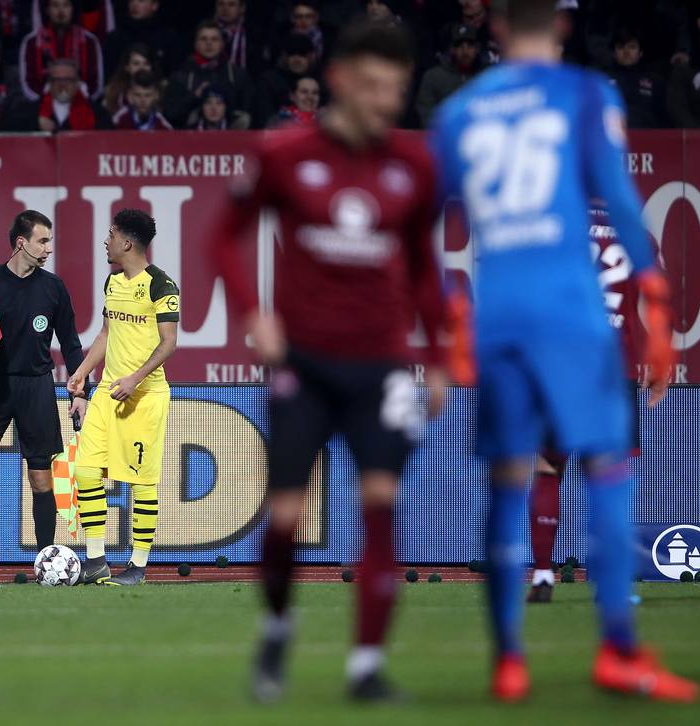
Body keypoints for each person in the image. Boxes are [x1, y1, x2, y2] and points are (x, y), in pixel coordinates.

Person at [429, 0, 697, 703]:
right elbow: (621, 202)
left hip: (502, 316)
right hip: (574, 314)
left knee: (509, 479)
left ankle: (508, 661)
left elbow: (417, 223)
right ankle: (618, 651)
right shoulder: (585, 94)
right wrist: (658, 306)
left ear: (494, 30)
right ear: (564, 27)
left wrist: (449, 311)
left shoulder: (461, 112)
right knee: (607, 467)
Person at [213, 20, 452, 703]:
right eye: (373, 86)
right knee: (284, 514)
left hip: (381, 365)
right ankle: (278, 626)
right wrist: (253, 314)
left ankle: (366, 666)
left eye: (396, 89)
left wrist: (438, 355)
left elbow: (424, 268)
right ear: (340, 80)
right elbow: (223, 238)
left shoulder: (415, 165)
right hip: (305, 364)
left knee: (380, 503)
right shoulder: (286, 155)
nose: (385, 102)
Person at [0, 210, 88, 585]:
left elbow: (71, 344)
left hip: (36, 386)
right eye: (43, 241)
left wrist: (80, 390)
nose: (49, 249)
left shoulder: (54, 288)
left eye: (50, 241)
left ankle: (46, 565)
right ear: (21, 242)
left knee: (41, 479)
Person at [527, 205, 652, 604]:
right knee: (610, 478)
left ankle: (543, 573)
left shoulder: (555, 222)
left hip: (563, 362)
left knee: (548, 467)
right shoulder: (632, 229)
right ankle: (613, 585)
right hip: (615, 365)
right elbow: (651, 299)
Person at [67, 208, 179, 587]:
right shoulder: (113, 282)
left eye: (111, 234)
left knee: (141, 482)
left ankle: (138, 565)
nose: (106, 241)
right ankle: (96, 560)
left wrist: (135, 378)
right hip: (106, 393)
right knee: (85, 471)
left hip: (144, 397)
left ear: (127, 243)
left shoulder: (161, 286)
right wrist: (83, 371)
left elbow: (169, 343)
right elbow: (105, 333)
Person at [166, 20, 252, 128]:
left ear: (222, 44)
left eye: (214, 39)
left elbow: (247, 112)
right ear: (196, 44)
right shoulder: (180, 77)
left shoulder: (237, 76)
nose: (209, 43)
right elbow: (170, 115)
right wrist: (194, 97)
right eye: (203, 39)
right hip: (191, 135)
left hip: (230, 135)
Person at [18, 0, 104, 101]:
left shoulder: (89, 41)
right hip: (41, 106)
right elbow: (27, 84)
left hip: (82, 105)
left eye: (66, 5)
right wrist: (46, 103)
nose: (61, 11)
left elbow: (96, 84)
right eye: (55, 5)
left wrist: (81, 101)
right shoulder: (32, 42)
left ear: (73, 9)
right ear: (47, 9)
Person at [416, 23, 483, 127]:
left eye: (470, 45)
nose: (465, 51)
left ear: (477, 48)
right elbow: (426, 115)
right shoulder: (433, 77)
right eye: (459, 45)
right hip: (445, 134)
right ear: (452, 49)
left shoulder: (488, 77)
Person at [607, 27, 668, 129]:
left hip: (648, 136)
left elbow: (663, 119)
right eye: (621, 47)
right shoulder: (602, 82)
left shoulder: (656, 81)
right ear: (614, 53)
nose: (626, 51)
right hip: (614, 136)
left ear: (641, 52)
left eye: (632, 47)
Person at [37, 58, 99, 131]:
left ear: (77, 83)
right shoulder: (33, 111)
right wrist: (36, 123)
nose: (62, 85)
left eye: (68, 80)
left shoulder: (96, 112)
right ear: (50, 83)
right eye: (57, 80)